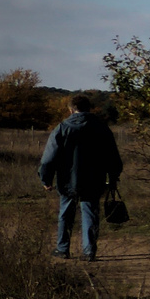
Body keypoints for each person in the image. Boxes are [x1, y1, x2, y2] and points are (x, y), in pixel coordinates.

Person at [38, 94, 123, 261]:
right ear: (89, 108)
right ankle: (89, 251)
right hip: (94, 179)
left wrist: (46, 179)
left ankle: (62, 249)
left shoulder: (62, 128)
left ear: (71, 110)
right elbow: (112, 155)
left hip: (67, 179)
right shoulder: (101, 127)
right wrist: (113, 177)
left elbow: (48, 158)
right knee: (90, 213)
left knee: (65, 214)